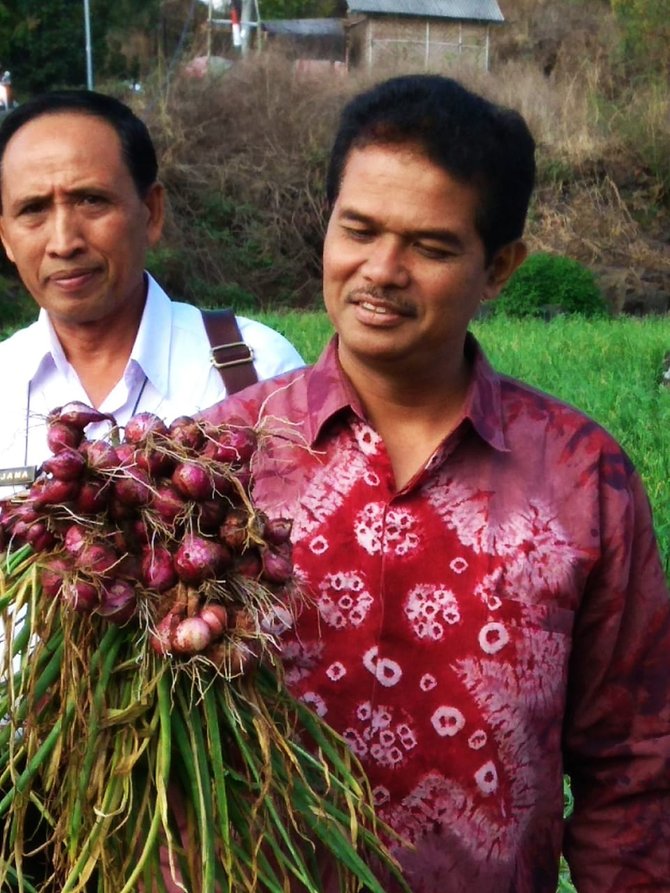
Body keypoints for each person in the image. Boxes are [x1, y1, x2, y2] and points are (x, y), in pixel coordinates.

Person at [203, 75, 670, 892]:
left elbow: (634, 765)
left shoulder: (583, 476)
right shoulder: (216, 462)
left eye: (430, 245)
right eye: (359, 230)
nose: (381, 270)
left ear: (500, 269)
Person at [0, 90, 304, 497]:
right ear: (5, 237)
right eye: (33, 209)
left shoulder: (257, 371)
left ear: (152, 212)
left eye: (91, 201)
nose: (63, 242)